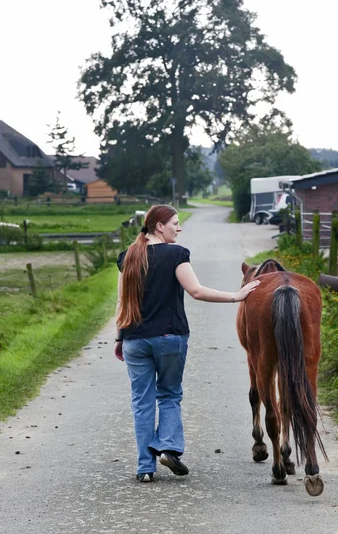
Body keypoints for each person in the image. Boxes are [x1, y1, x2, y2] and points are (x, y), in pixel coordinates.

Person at [114, 204, 259, 483]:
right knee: (169, 394)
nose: (178, 229)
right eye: (175, 224)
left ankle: (146, 467)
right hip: (170, 338)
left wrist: (120, 337)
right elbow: (196, 290)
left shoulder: (127, 257)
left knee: (142, 402)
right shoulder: (176, 254)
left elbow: (122, 302)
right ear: (159, 226)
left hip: (134, 338)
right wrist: (236, 296)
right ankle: (168, 448)